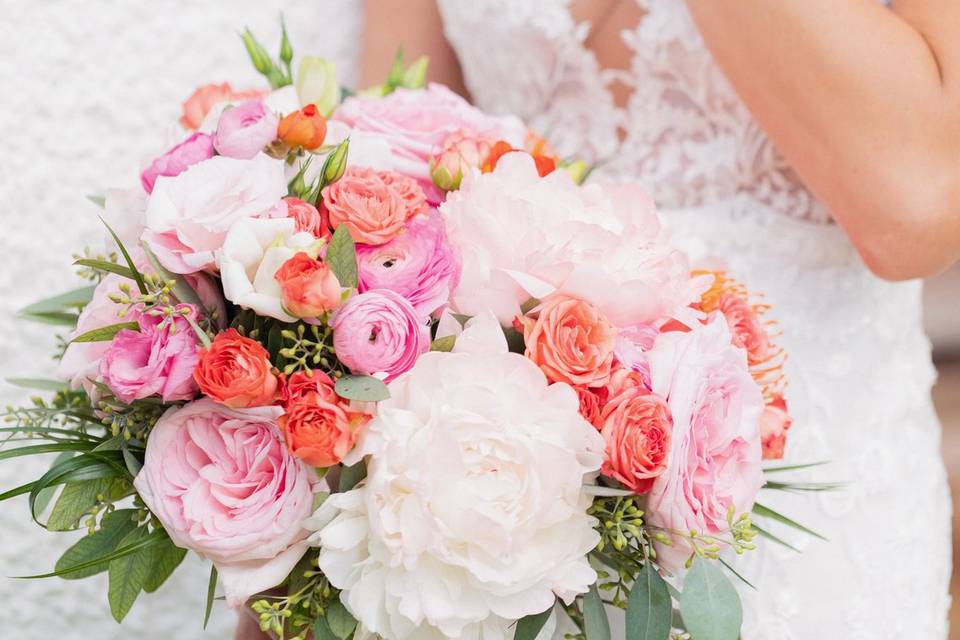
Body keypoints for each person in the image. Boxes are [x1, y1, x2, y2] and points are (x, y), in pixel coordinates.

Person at [239, 1, 957, 637]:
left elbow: (912, 210)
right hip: (502, 505)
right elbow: (397, 191)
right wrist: (312, 539)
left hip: (804, 481)